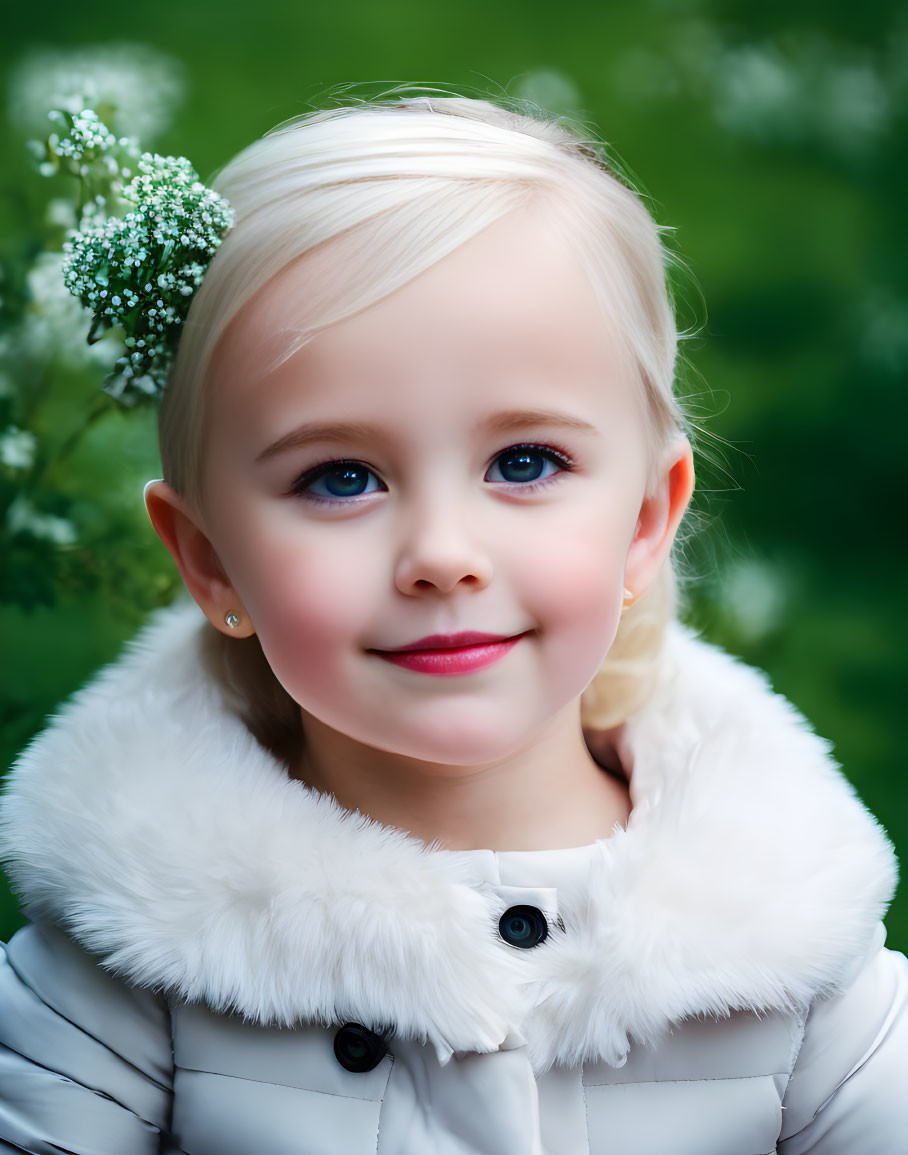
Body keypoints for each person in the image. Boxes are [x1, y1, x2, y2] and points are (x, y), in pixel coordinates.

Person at [1, 92, 905, 1154]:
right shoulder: (123, 959)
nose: (439, 554)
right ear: (208, 563)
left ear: (645, 521)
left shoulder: (796, 957)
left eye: (523, 464)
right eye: (340, 477)